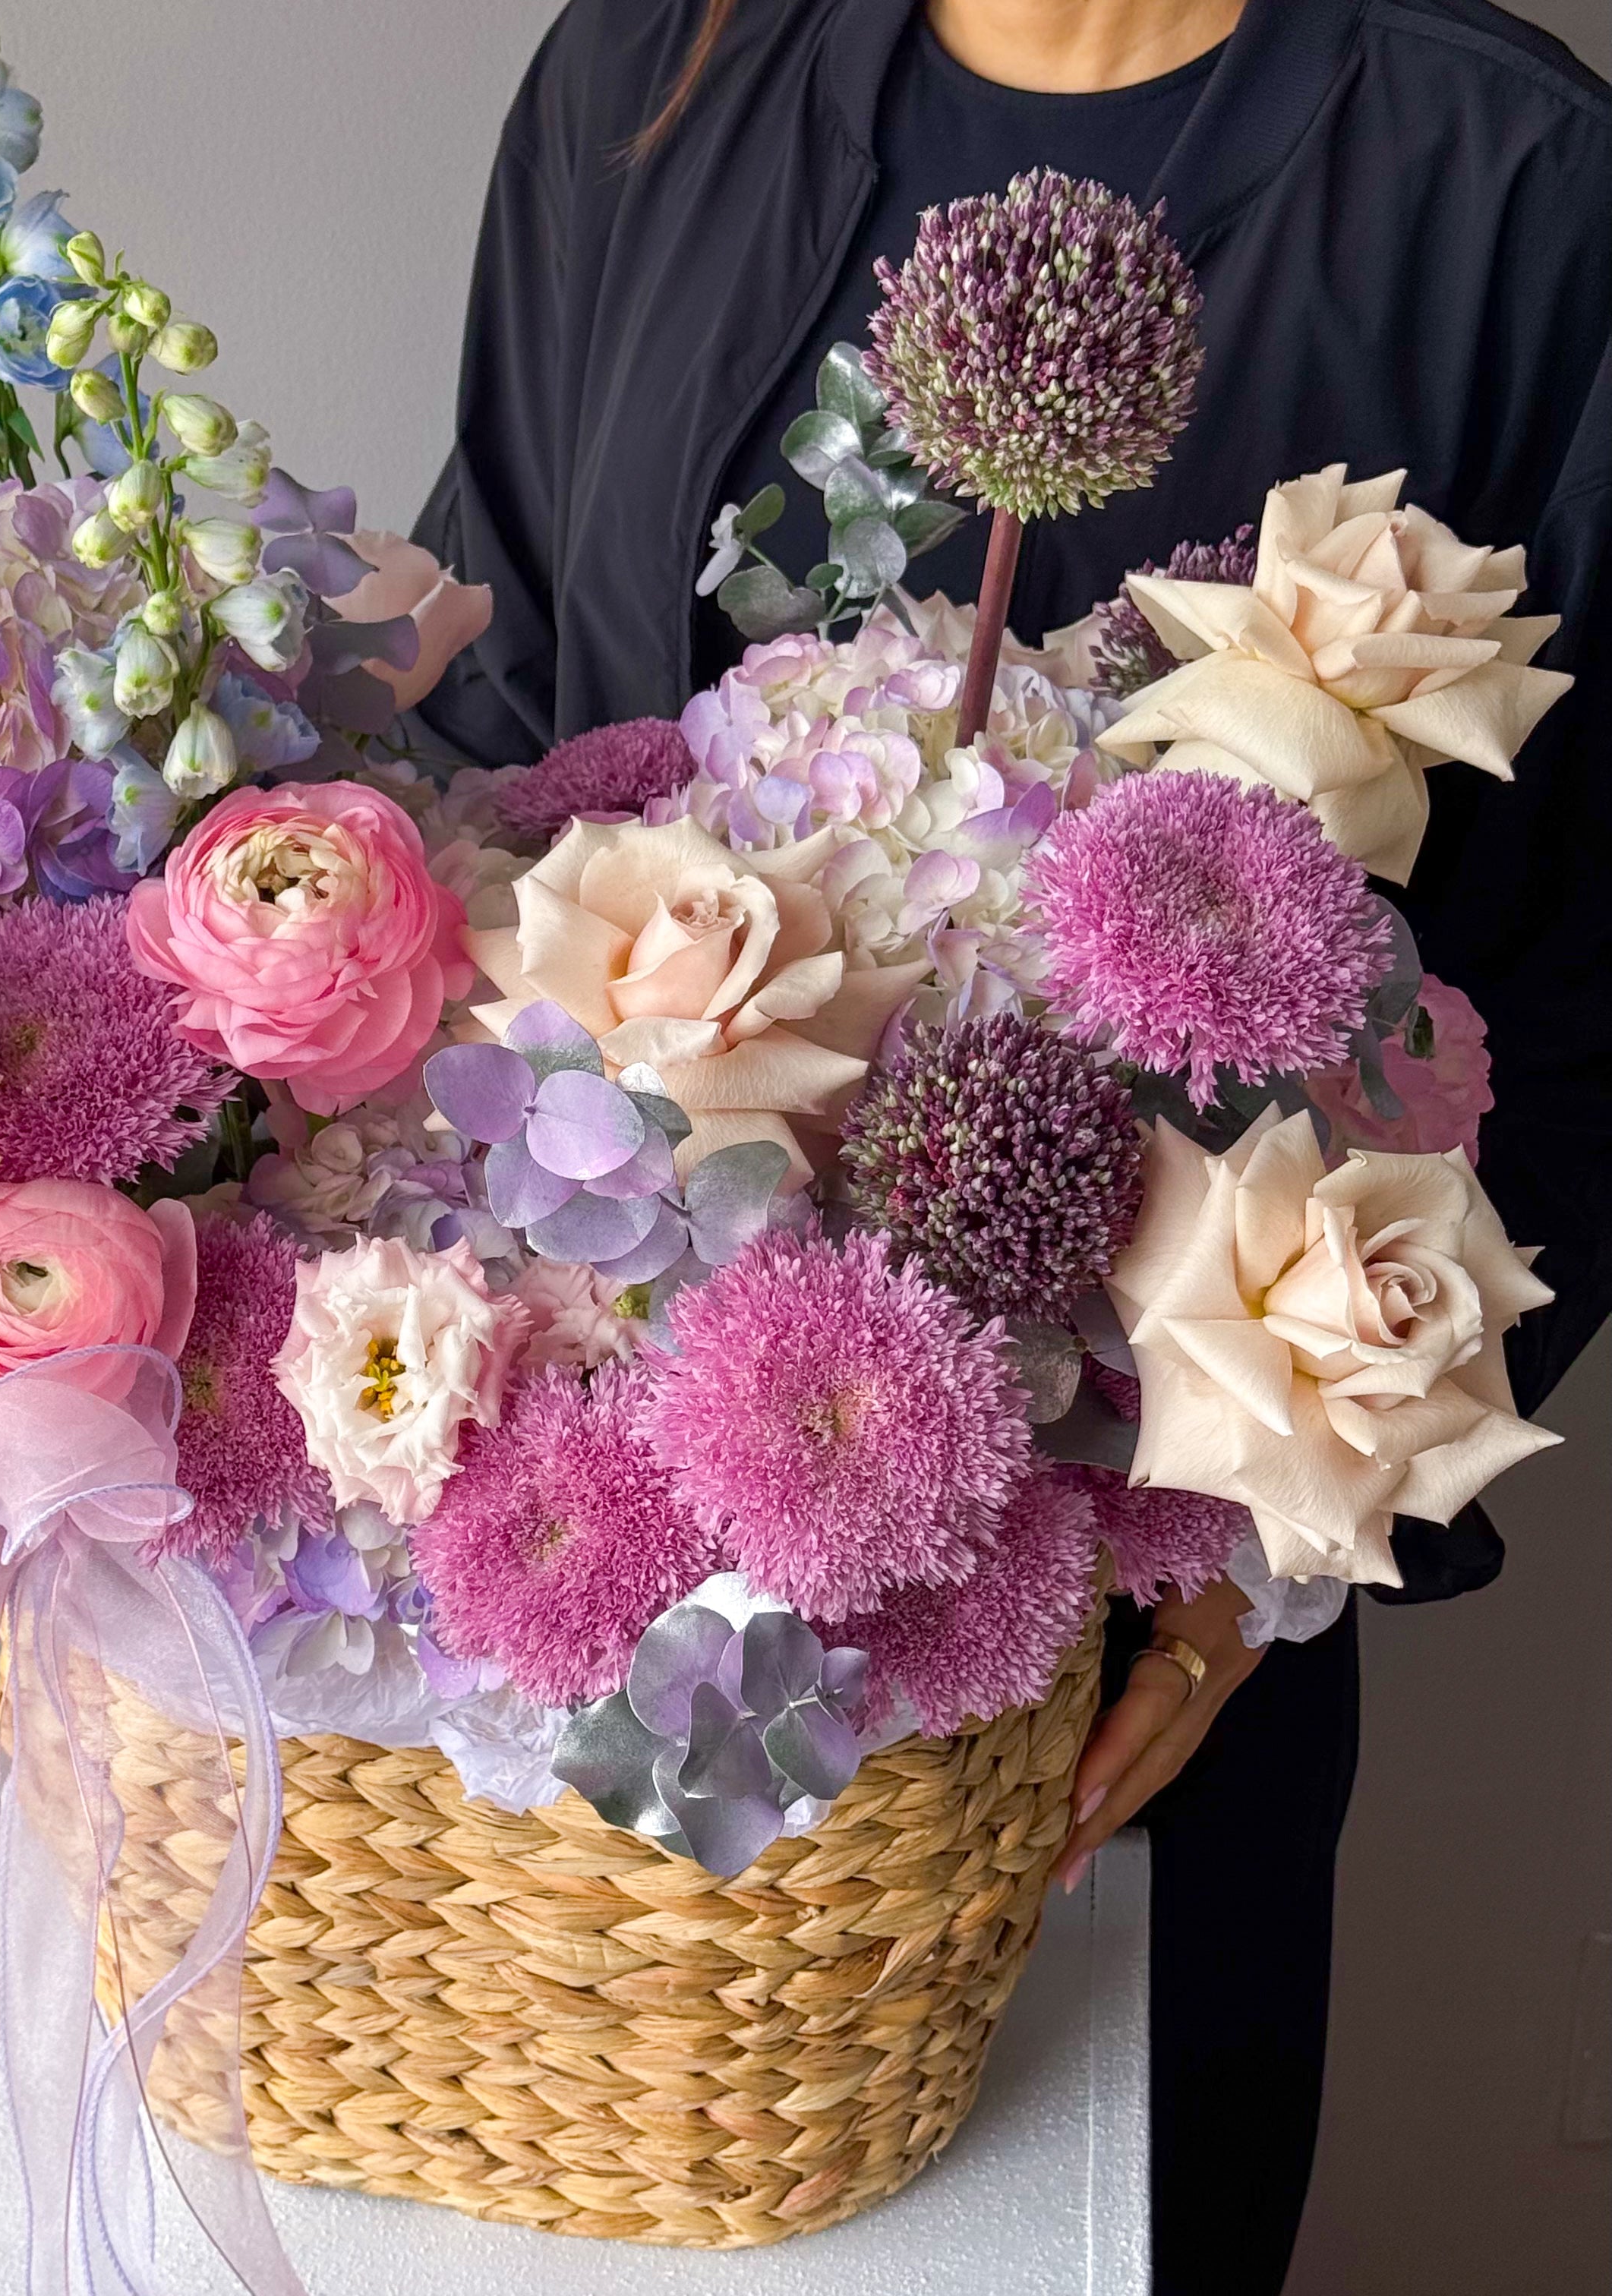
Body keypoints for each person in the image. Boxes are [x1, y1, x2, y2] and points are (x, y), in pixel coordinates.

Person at [409, 2, 1612, 2288]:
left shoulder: (1521, 190)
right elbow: (504, 715)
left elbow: (1582, 1005)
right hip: (616, 1529)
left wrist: (1267, 1551)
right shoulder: (649, 78)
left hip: (1131, 1626)